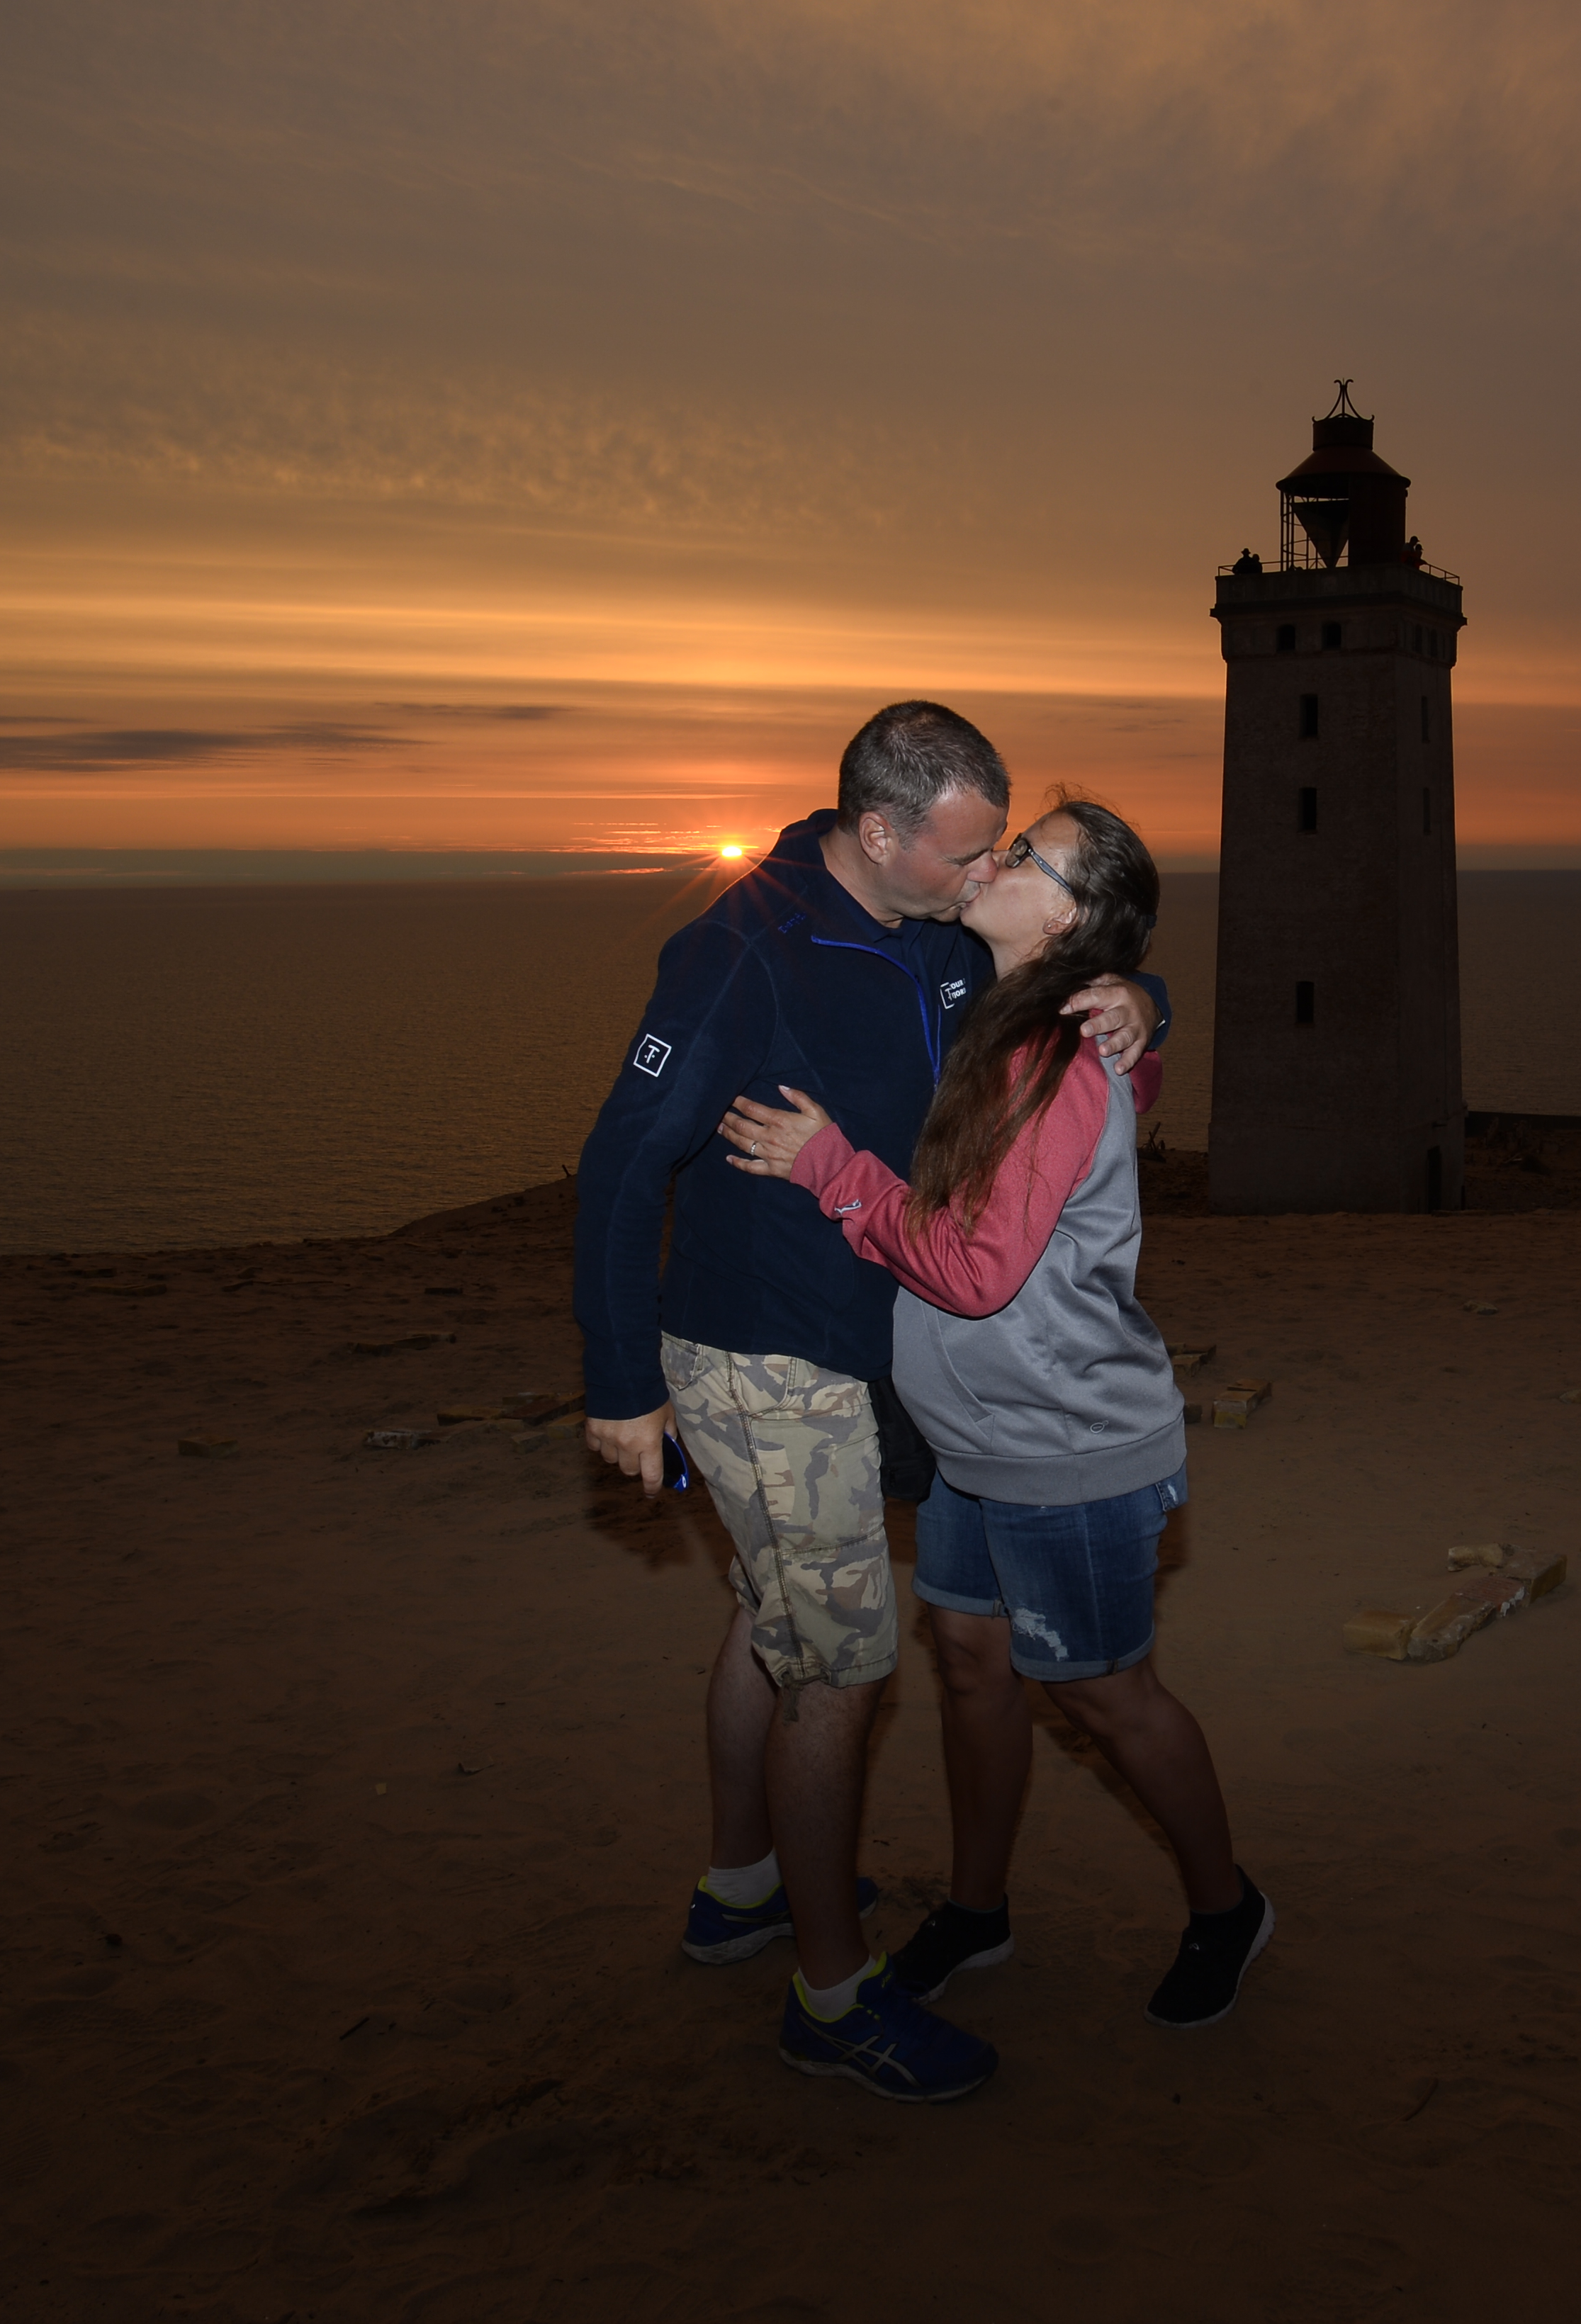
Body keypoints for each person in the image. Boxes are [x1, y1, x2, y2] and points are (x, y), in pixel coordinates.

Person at [569, 702, 1165, 2106]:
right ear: (881, 830)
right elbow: (620, 1162)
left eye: (999, 851)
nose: (984, 875)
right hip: (765, 1350)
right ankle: (833, 2000)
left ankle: (741, 1889)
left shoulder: (934, 923)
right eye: (967, 853)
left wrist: (1140, 999)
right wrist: (620, 1383)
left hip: (858, 1344)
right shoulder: (743, 946)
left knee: (772, 1618)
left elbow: (1058, 959)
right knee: (841, 1666)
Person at [721, 797, 1269, 2034]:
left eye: (1026, 855)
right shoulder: (1006, 1015)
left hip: (1066, 1442)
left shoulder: (1051, 1057)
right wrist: (1143, 1003)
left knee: (1108, 1695)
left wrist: (829, 1169)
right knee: (972, 1671)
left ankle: (1225, 1907)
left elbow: (974, 1272)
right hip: (974, 1443)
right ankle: (977, 1911)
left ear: (1066, 918)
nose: (997, 855)